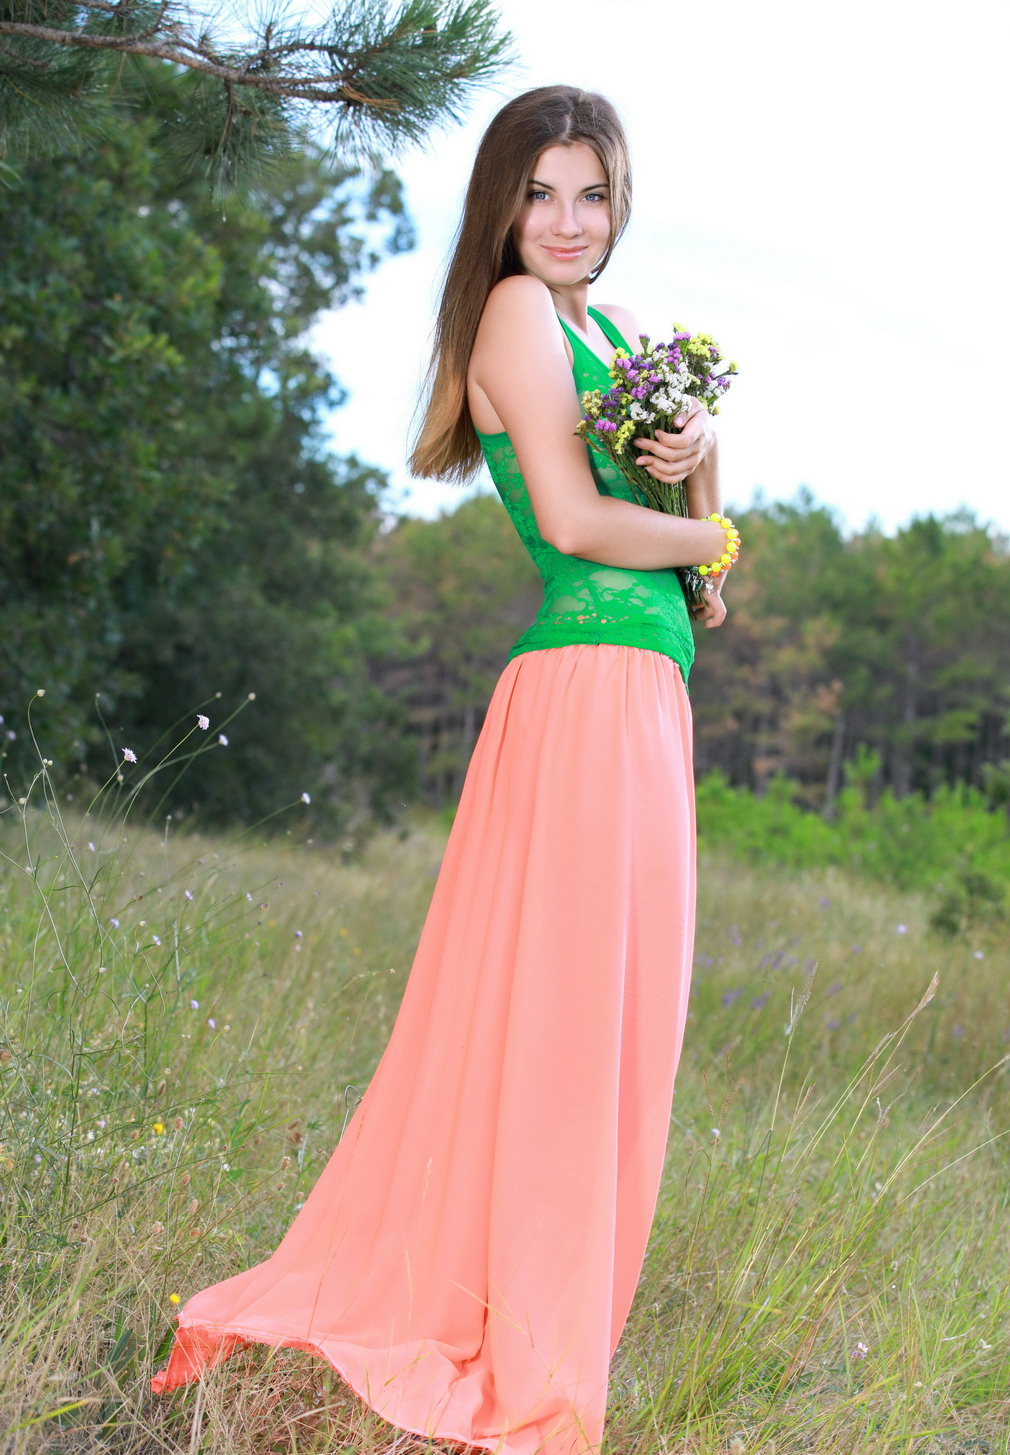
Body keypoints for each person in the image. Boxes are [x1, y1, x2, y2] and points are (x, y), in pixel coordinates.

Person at [152, 85, 735, 1455]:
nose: (568, 221)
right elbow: (580, 521)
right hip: (583, 693)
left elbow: (700, 570)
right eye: (539, 194)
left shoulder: (622, 333)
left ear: (621, 201)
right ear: (500, 208)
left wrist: (706, 468)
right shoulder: (519, 315)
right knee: (567, 1037)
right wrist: (712, 538)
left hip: (647, 692)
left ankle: (539, 1326)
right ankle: (528, 1354)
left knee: (621, 1038)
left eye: (591, 193)